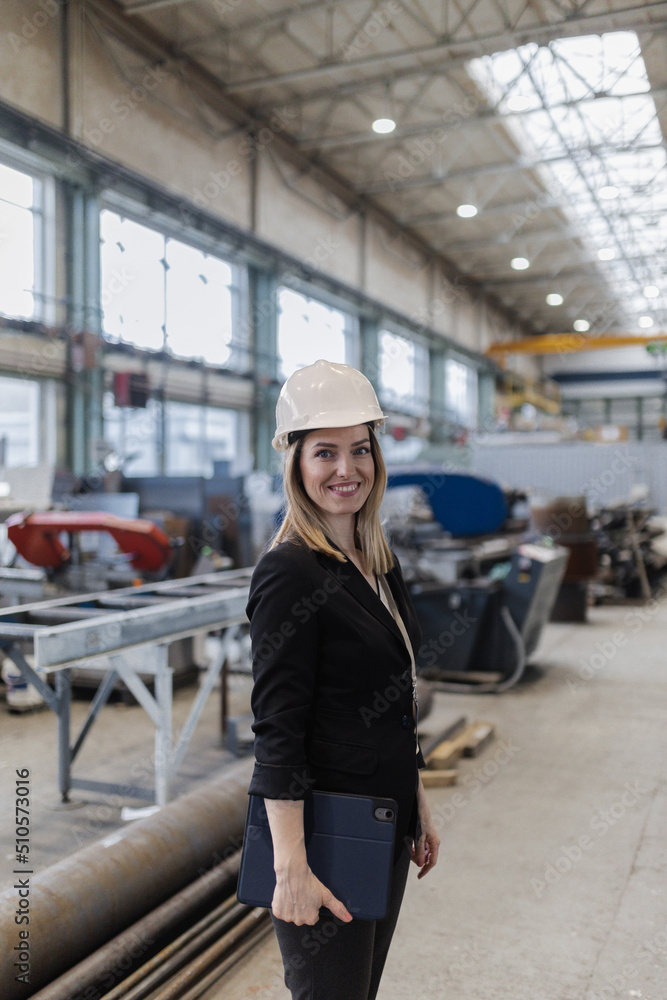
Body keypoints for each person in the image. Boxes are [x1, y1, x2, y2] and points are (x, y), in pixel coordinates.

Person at [246, 359, 440, 1000]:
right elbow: (278, 732)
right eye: (324, 452)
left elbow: (390, 705)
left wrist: (416, 796)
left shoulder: (377, 562)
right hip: (325, 835)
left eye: (361, 449)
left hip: (382, 822)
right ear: (296, 463)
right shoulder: (289, 574)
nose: (346, 469)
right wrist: (290, 867)